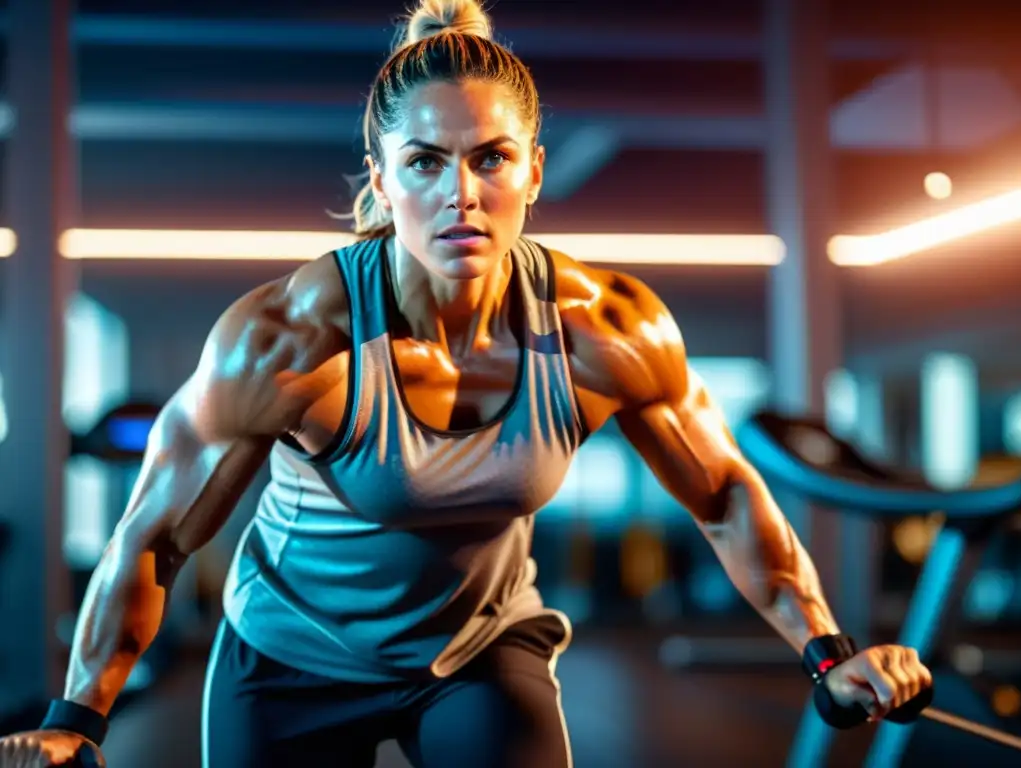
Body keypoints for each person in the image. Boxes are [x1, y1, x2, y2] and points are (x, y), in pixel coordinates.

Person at [0, 1, 933, 766]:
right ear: (382, 177)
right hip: (288, 658)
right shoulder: (291, 341)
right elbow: (155, 537)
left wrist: (829, 656)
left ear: (533, 169)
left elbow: (725, 495)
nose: (461, 194)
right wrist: (78, 720)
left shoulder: (605, 331)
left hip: (481, 652)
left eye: (490, 158)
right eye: (424, 163)